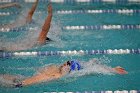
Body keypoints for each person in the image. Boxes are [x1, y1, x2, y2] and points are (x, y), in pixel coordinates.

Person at [0, 59, 128, 88]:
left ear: (69, 69)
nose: (65, 63)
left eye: (68, 64)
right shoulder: (55, 70)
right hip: (19, 79)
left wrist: (112, 70)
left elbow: (90, 71)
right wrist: (112, 68)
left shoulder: (58, 75)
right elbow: (89, 66)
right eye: (67, 62)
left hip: (18, 85)